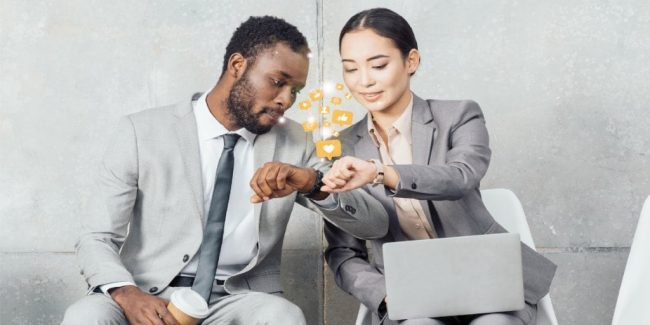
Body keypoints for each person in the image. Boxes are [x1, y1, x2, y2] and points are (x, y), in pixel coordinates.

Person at [62, 15, 388, 325]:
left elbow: (374, 222)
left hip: (237, 298)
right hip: (147, 290)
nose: (286, 100)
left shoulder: (295, 141)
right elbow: (97, 237)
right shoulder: (141, 131)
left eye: (295, 91)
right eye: (277, 82)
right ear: (237, 65)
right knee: (86, 317)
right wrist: (126, 293)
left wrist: (311, 182)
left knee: (282, 317)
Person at [322, 8, 557, 325]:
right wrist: (386, 294)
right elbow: (344, 252)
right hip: (410, 299)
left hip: (489, 285)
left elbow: (461, 177)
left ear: (411, 61)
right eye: (351, 69)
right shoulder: (342, 148)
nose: (364, 81)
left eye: (378, 65)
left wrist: (382, 172)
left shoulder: (459, 115)